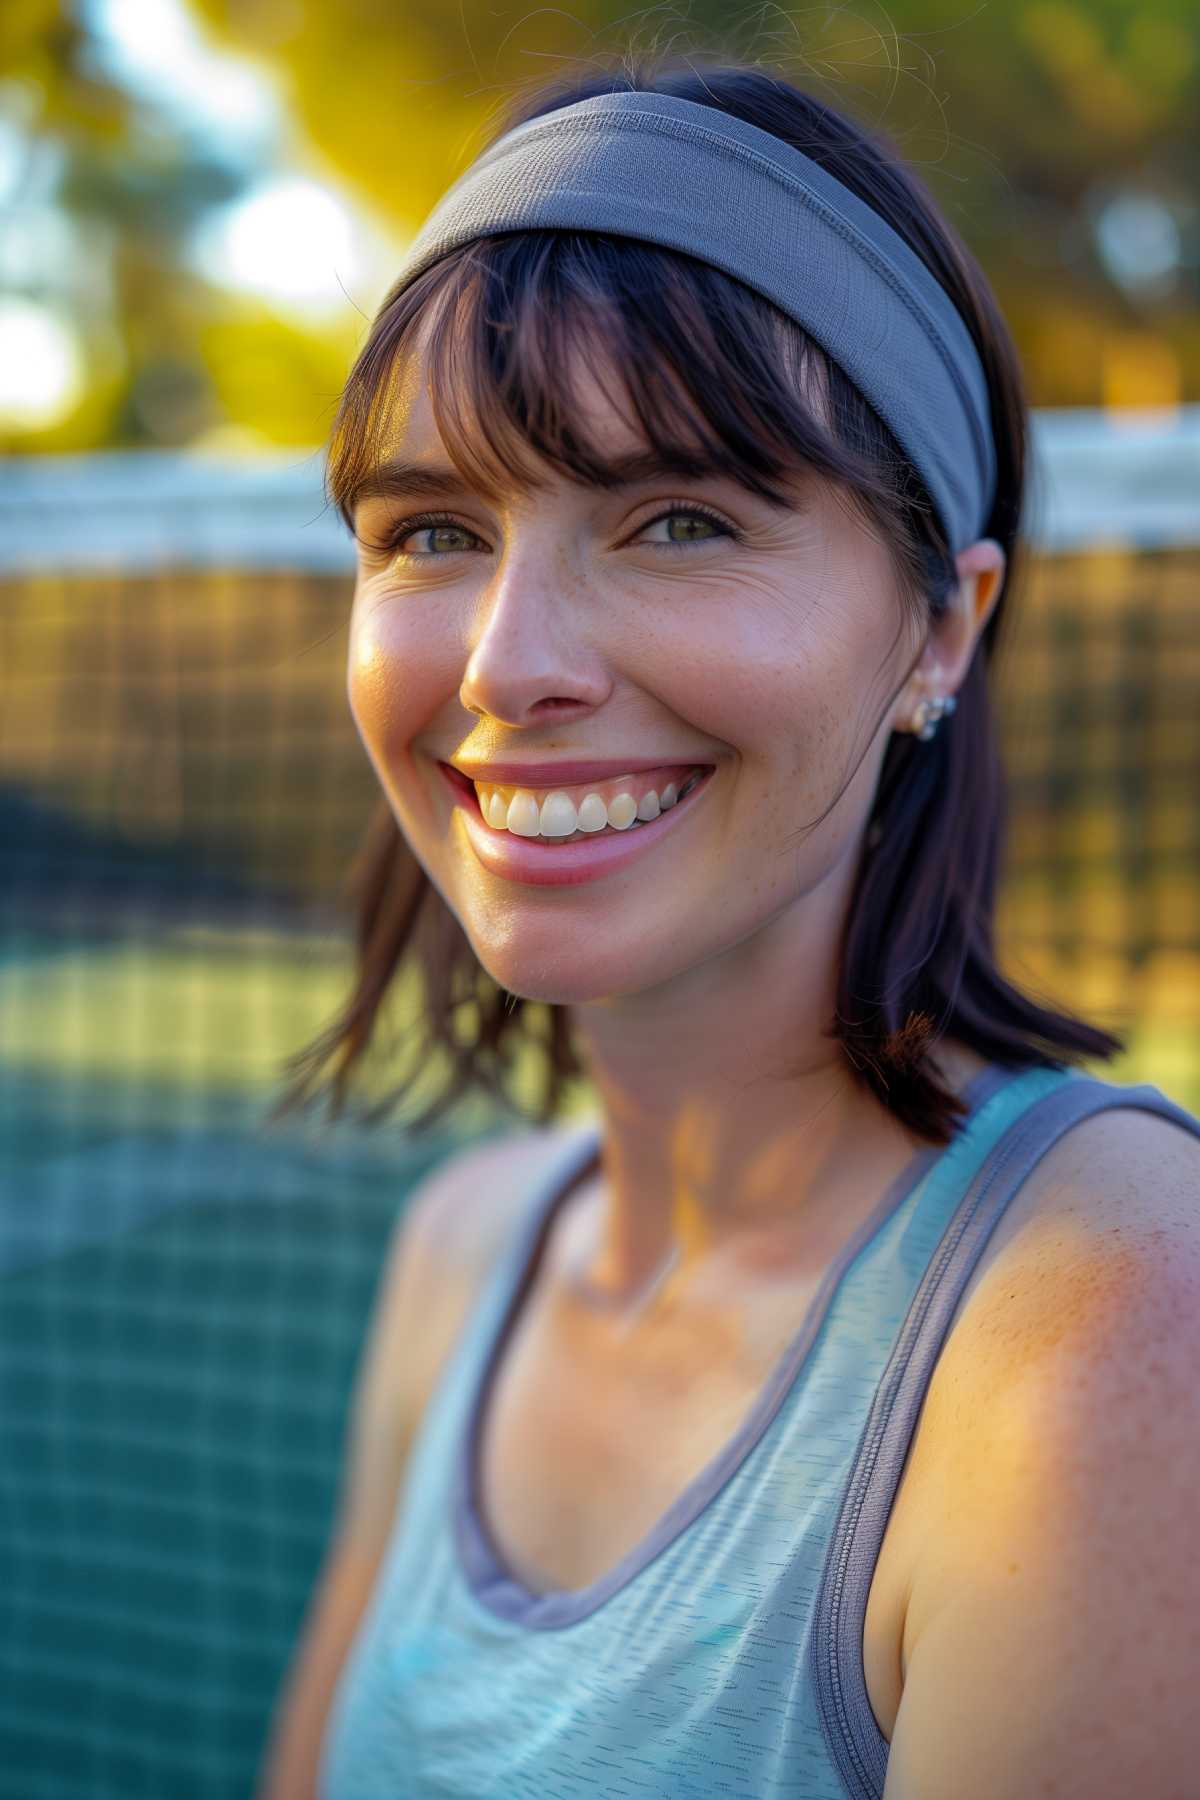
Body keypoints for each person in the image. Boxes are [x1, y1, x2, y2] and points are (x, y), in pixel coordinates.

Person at [258, 56, 1200, 1800]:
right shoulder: (464, 1247)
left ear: (941, 628)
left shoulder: (1117, 1321)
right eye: (433, 530)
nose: (504, 662)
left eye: (680, 519)